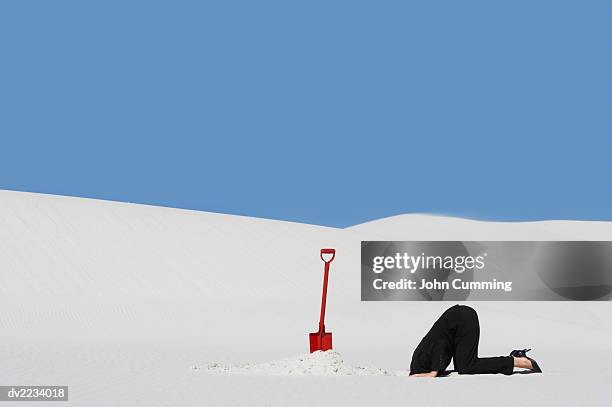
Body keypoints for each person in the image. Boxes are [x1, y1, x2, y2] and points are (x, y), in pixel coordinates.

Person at [409, 304, 542, 377]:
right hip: (457, 321)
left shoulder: (420, 362)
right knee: (463, 367)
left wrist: (433, 372)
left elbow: (439, 344)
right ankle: (516, 357)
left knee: (467, 367)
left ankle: (517, 361)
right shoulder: (419, 360)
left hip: (462, 320)